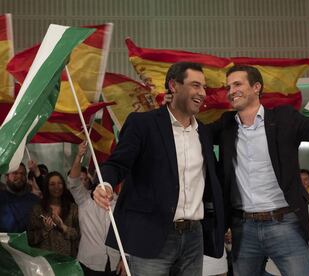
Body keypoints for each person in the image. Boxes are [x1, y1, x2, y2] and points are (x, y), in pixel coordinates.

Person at [208, 65, 309, 275]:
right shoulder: (226, 125)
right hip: (244, 228)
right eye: (228, 86)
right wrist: (173, 108)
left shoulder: (284, 119)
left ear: (256, 87)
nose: (231, 91)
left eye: (237, 84)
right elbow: (195, 134)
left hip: (284, 222)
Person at [93, 62, 224, 276]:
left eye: (204, 87)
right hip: (150, 235)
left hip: (194, 236)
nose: (202, 93)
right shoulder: (142, 124)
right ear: (174, 86)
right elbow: (117, 163)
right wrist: (104, 183)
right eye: (195, 85)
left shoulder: (204, 133)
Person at [68, 142, 124, 276]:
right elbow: (73, 181)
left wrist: (125, 258)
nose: (103, 180)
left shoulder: (121, 204)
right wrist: (78, 156)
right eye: (99, 176)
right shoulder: (84, 199)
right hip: (88, 263)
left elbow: (129, 234)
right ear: (93, 178)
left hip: (116, 264)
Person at [27, 171, 80, 257]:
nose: (57, 187)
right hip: (45, 261)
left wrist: (63, 227)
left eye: (59, 183)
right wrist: (45, 230)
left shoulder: (73, 208)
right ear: (47, 187)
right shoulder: (37, 209)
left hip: (67, 260)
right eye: (52, 184)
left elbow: (78, 235)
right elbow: (30, 239)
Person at [0, 163, 39, 233]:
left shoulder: (35, 200)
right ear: (6, 177)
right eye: (15, 173)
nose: (19, 176)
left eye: (23, 174)